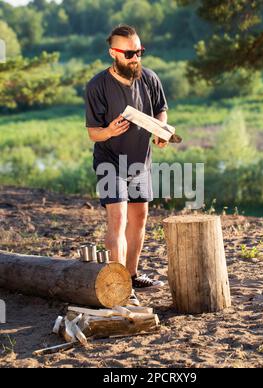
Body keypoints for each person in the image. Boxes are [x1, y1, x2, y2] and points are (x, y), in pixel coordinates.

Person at [85, 24, 169, 302]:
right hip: (109, 161)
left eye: (140, 52)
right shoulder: (97, 85)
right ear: (113, 53)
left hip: (140, 162)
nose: (136, 58)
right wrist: (109, 130)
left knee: (139, 217)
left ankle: (132, 276)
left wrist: (160, 130)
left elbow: (161, 110)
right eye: (130, 53)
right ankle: (118, 285)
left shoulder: (150, 78)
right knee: (118, 217)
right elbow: (93, 132)